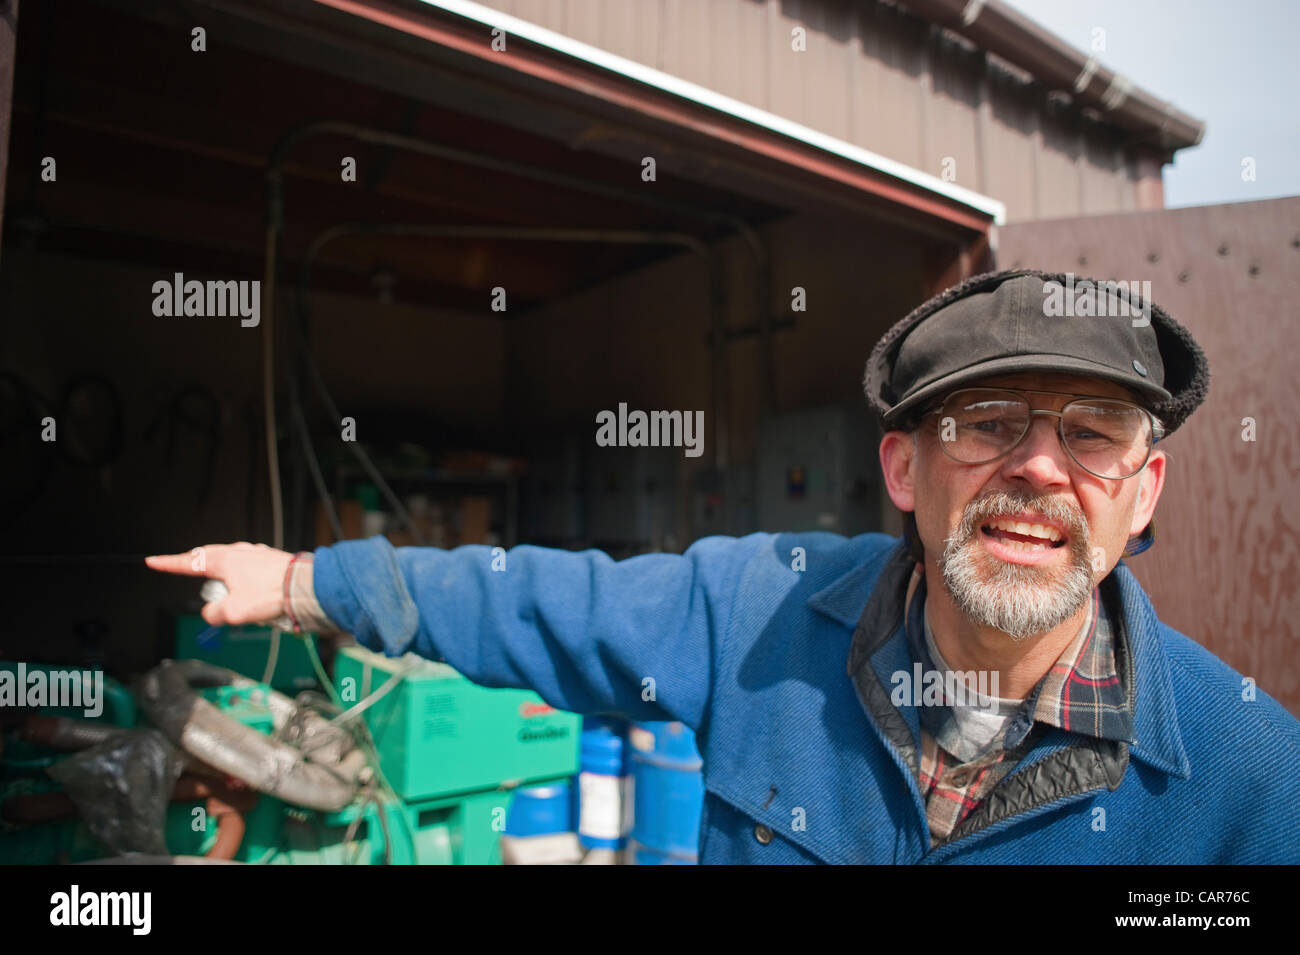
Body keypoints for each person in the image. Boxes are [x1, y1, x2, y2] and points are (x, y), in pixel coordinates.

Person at [147, 268, 1300, 864]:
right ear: (904, 469)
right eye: (987, 421)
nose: (1040, 467)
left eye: (1093, 432)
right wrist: (305, 584)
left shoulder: (1254, 782)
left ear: (1141, 493)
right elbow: (539, 601)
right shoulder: (759, 605)